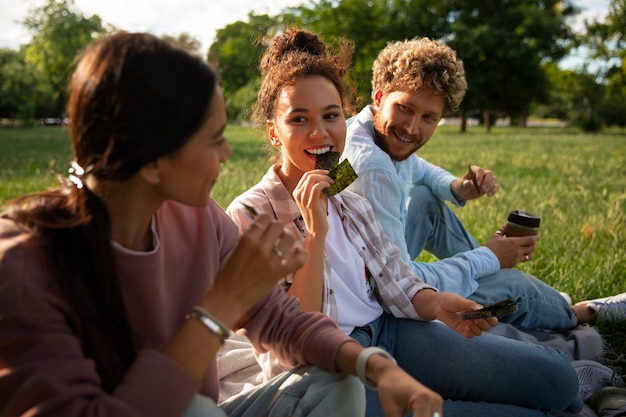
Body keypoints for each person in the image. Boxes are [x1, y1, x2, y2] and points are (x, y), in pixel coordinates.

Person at [0, 31, 452, 417]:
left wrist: (377, 366)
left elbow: (281, 319)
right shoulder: (24, 261)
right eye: (214, 139)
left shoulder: (200, 218)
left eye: (332, 115)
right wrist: (220, 303)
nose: (227, 154)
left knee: (337, 384)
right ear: (153, 159)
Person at [226, 27, 582, 417]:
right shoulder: (250, 215)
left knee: (557, 378)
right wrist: (314, 232)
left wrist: (437, 304)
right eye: (299, 119)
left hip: (388, 331)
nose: (320, 133)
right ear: (273, 132)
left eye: (331, 116)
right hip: (326, 376)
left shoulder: (347, 193)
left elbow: (396, 279)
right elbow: (292, 347)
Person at [339, 36, 626, 332]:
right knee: (515, 288)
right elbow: (401, 284)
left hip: (369, 265)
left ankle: (500, 277)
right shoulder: (373, 168)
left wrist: (457, 186)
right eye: (406, 108)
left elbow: (418, 168)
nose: (412, 127)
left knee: (425, 198)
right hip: (375, 298)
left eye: (428, 117)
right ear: (379, 97)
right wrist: (487, 257)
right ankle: (582, 313)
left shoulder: (365, 131)